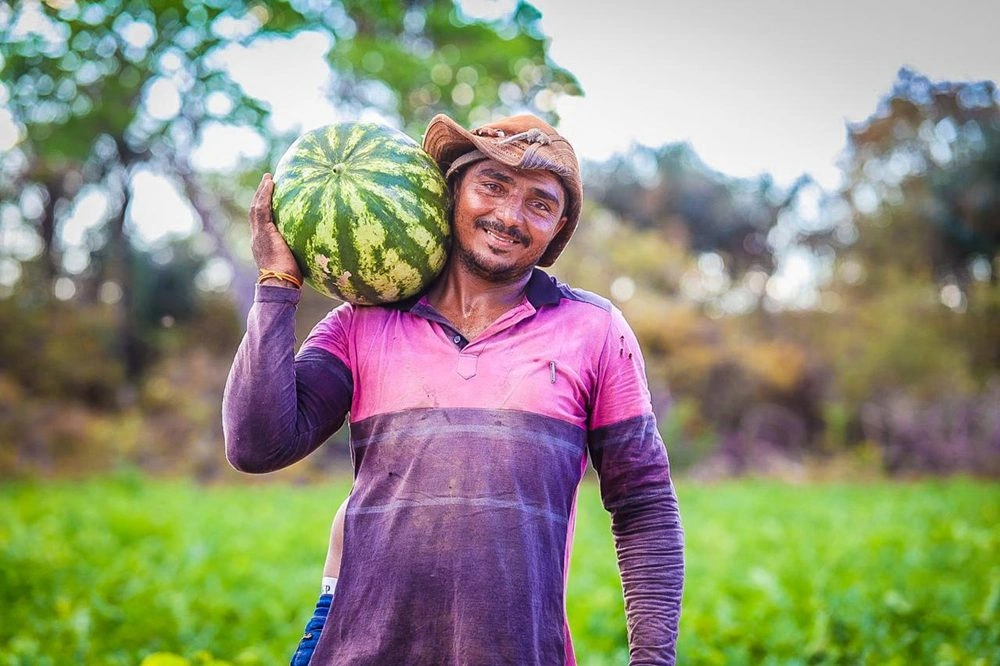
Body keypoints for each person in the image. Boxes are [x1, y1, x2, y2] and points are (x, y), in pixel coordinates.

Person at [222, 113, 685, 665]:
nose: (510, 216)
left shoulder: (594, 331)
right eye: (493, 186)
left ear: (558, 228)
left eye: (541, 203)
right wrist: (278, 285)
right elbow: (256, 445)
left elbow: (645, 508)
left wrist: (653, 660)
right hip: (357, 649)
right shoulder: (361, 323)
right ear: (451, 192)